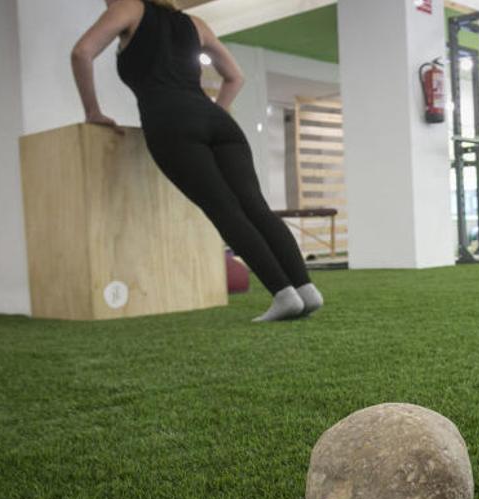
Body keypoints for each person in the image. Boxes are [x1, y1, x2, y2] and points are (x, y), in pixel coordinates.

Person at [71, 0, 321, 322]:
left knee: (224, 208)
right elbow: (235, 76)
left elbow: (81, 52)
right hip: (218, 122)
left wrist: (92, 111)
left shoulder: (128, 8)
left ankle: (283, 294)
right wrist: (216, 110)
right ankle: (305, 289)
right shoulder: (195, 23)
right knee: (256, 207)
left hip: (171, 123)